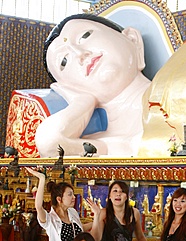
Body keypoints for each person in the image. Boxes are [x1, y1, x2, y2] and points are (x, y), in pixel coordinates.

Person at [35, 14, 151, 158]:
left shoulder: (175, 93)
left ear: (132, 39)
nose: (79, 54)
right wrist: (82, 103)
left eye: (85, 36)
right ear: (67, 87)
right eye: (64, 61)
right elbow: (49, 144)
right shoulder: (95, 144)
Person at [26, 168, 100, 241]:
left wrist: (97, 220)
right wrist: (42, 179)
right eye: (70, 194)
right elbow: (38, 206)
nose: (74, 197)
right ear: (59, 199)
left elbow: (79, 229)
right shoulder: (50, 219)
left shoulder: (72, 212)